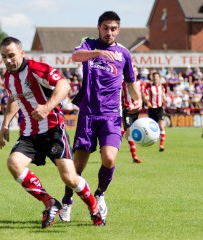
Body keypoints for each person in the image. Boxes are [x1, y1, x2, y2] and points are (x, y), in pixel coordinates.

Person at [0, 37, 103, 228]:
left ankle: (94, 208)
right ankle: (49, 202)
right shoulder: (7, 77)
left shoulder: (36, 68)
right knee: (14, 163)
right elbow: (14, 99)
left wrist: (47, 107)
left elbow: (64, 85)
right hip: (30, 133)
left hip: (53, 130)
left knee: (69, 178)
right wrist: (5, 124)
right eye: (4, 56)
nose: (8, 60)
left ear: (22, 53)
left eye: (11, 55)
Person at [59, 11, 142, 225]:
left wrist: (138, 100)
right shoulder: (88, 44)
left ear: (118, 30)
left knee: (109, 158)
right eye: (106, 28)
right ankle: (67, 201)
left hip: (112, 115)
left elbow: (131, 81)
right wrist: (98, 54)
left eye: (113, 28)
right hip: (87, 114)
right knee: (77, 166)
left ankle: (99, 194)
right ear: (99, 27)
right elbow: (75, 57)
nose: (109, 32)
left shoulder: (124, 53)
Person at [121, 65, 145, 163]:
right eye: (132, 71)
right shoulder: (123, 83)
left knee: (130, 134)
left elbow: (143, 95)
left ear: (137, 73)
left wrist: (144, 100)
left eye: (135, 71)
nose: (133, 72)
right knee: (130, 133)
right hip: (127, 109)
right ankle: (134, 157)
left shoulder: (141, 83)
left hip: (136, 111)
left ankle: (119, 133)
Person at [144, 71, 167, 152]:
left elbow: (164, 97)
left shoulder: (162, 88)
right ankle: (149, 141)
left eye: (157, 77)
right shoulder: (148, 87)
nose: (156, 78)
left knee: (161, 126)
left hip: (160, 108)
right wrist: (147, 102)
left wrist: (165, 100)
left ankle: (161, 145)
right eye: (154, 77)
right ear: (152, 78)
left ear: (159, 78)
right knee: (152, 128)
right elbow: (145, 97)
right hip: (151, 109)